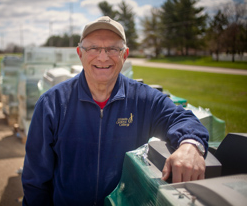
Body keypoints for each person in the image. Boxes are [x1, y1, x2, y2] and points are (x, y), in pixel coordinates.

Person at [22, 16, 209, 206]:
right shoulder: (52, 104)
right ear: (80, 53)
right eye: (93, 48)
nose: (103, 57)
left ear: (125, 55)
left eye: (113, 49)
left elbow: (183, 118)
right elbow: (35, 180)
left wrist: (191, 145)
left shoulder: (143, 99)